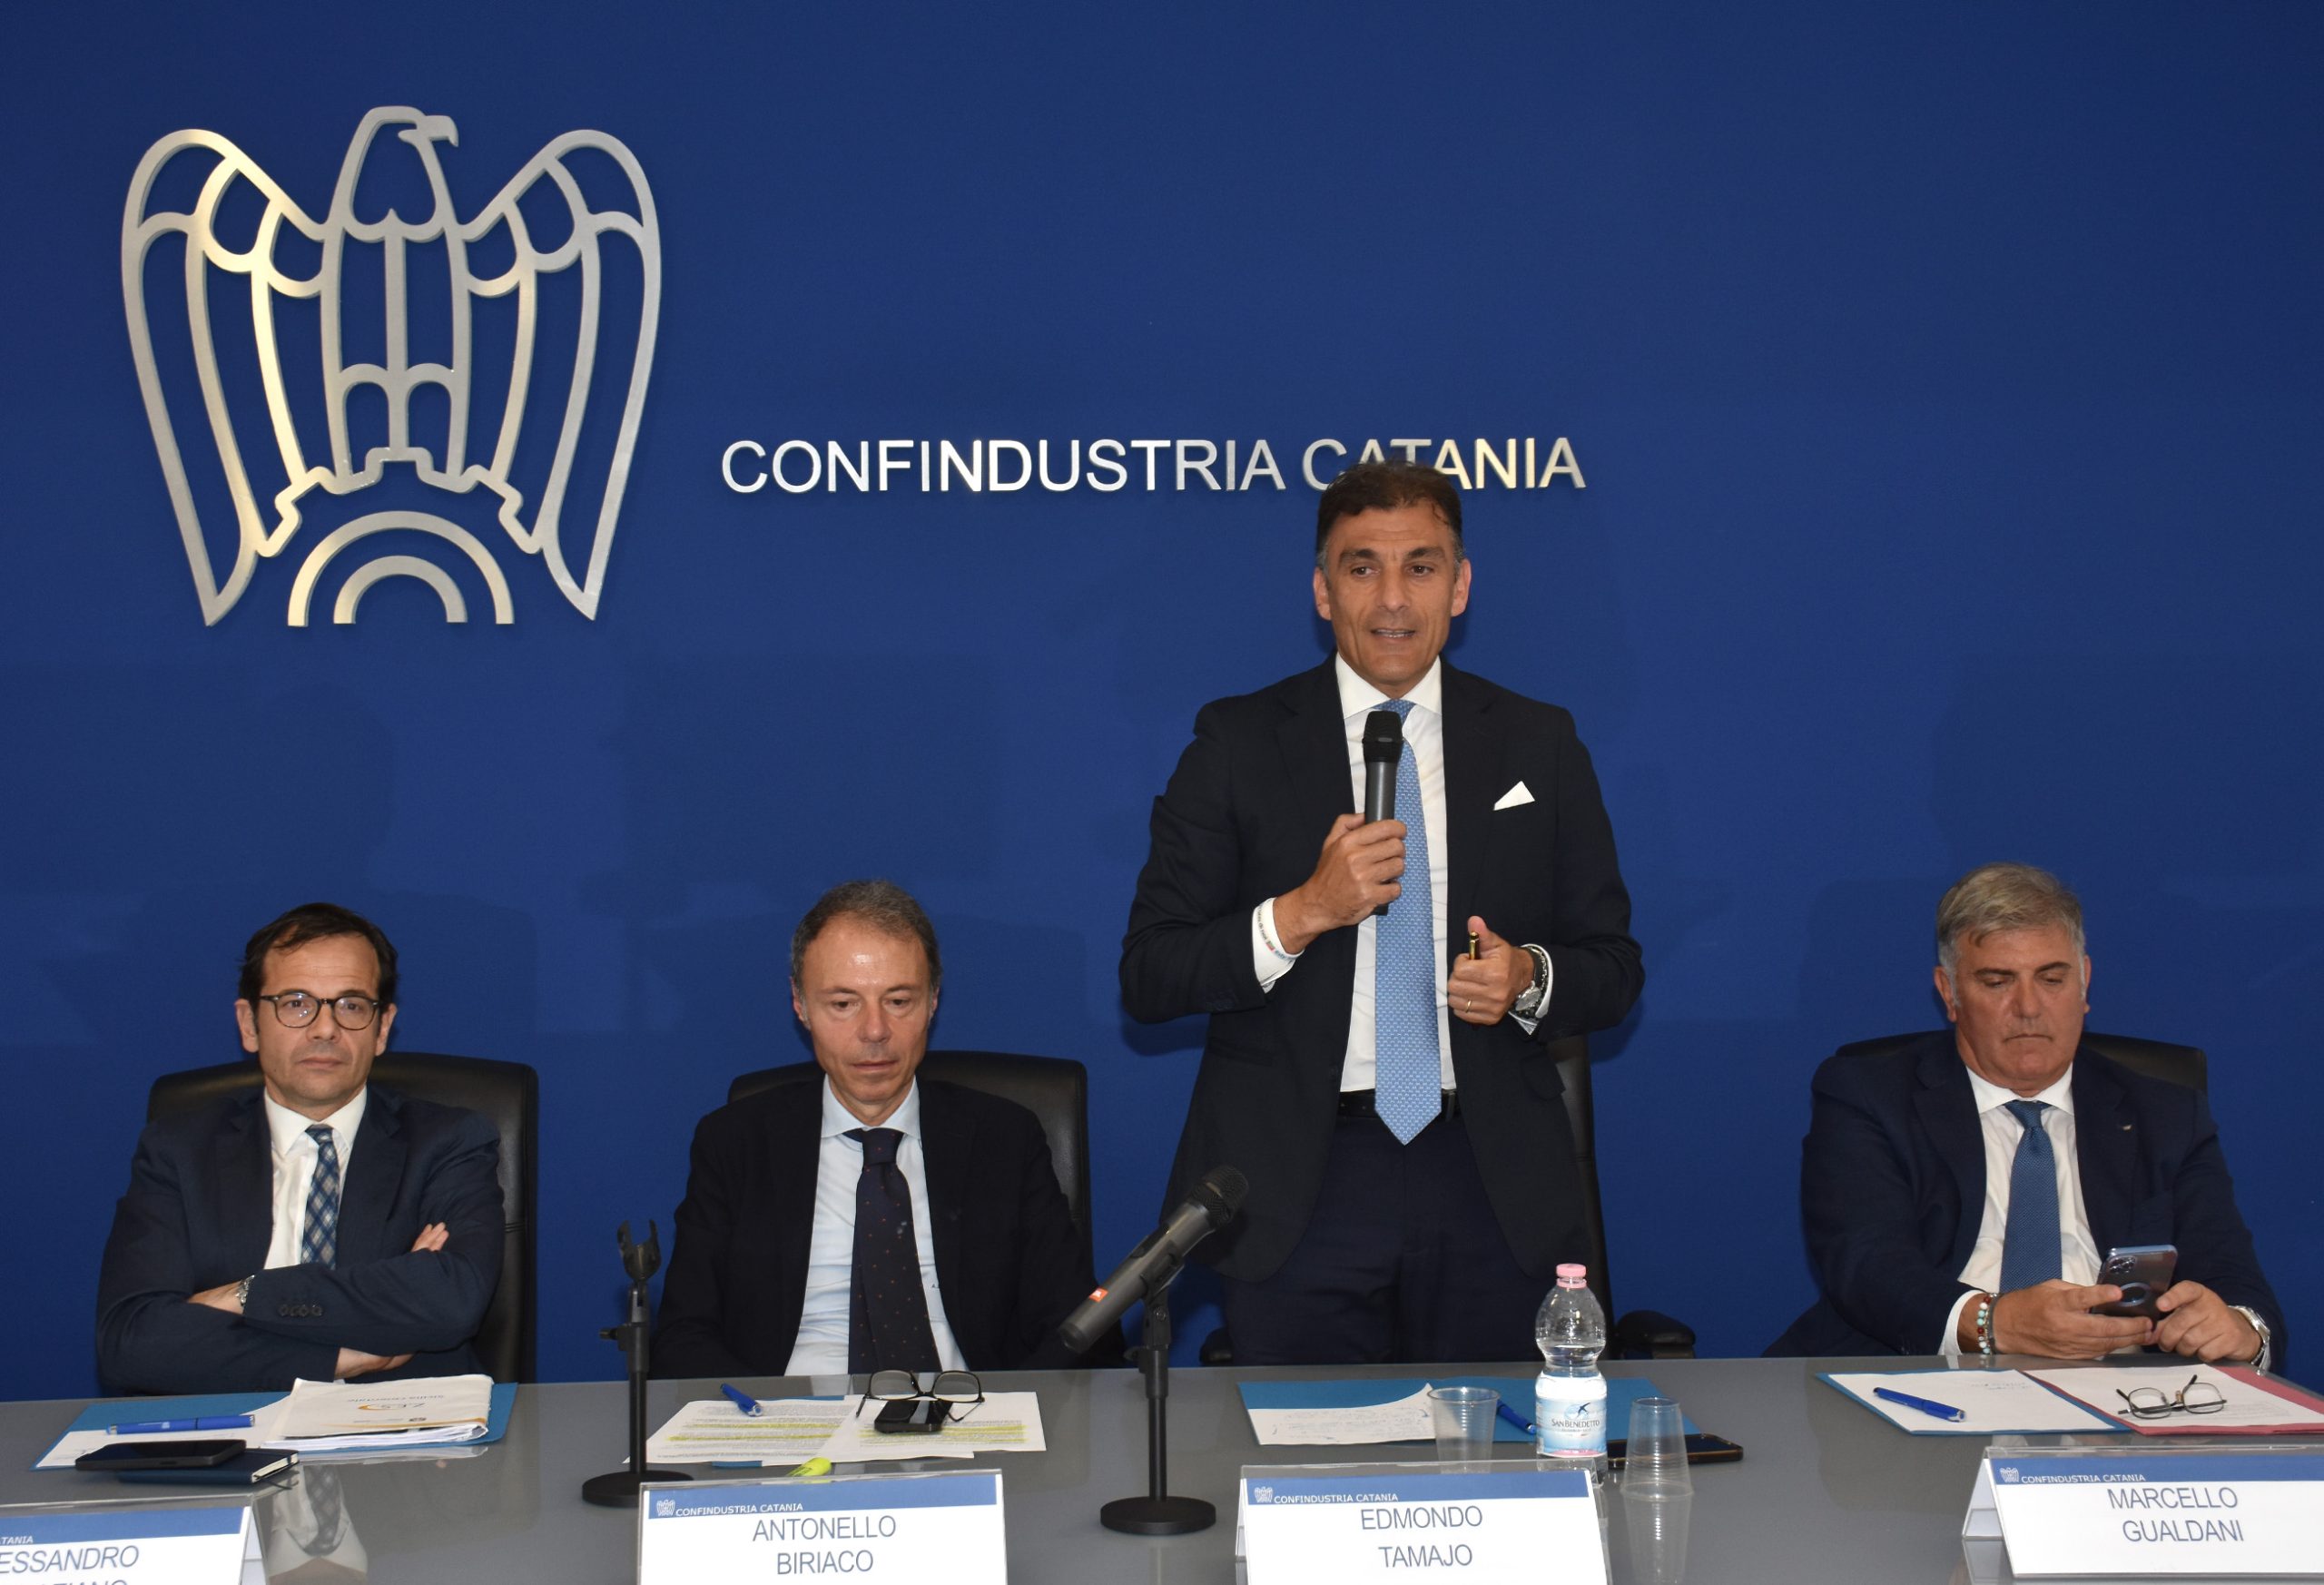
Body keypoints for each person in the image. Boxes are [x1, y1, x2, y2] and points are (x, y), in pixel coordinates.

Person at [1119, 460, 1644, 1364]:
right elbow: (1151, 973)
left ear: (1460, 586)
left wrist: (1527, 979)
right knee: (1308, 1447)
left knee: (1497, 1447)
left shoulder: (1538, 741)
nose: (1393, 598)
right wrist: (1301, 912)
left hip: (1489, 1177)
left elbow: (1613, 966)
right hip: (1303, 1181)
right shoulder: (1238, 742)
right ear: (1323, 592)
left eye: (1421, 566)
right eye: (1362, 568)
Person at [1770, 862, 2284, 1364]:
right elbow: (1867, 1266)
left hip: (2118, 1388)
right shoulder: (1869, 1094)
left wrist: (2241, 1329)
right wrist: (1995, 1322)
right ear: (1950, 993)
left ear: (2084, 983)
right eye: (1998, 982)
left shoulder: (2166, 1113)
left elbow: (2233, 1276)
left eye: (2052, 979)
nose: (2029, 1007)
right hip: (1922, 1376)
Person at [655, 880, 1096, 1377]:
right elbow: (683, 1335)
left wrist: (1006, 1411)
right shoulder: (735, 1144)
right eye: (843, 1004)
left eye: (899, 1001)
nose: (875, 1031)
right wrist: (763, 1414)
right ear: (801, 1005)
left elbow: (1075, 1326)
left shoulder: (1004, 1140)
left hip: (966, 1407)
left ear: (933, 1001)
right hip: (788, 1412)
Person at [95, 902, 504, 1393]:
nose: (325, 1029)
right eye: (295, 1003)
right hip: (232, 1427)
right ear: (250, 1024)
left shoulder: (448, 1142)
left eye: (351, 1005)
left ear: (382, 1028)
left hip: (403, 1425)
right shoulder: (179, 1151)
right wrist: (337, 1359)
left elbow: (450, 1303)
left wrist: (244, 1296)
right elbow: (132, 1342)